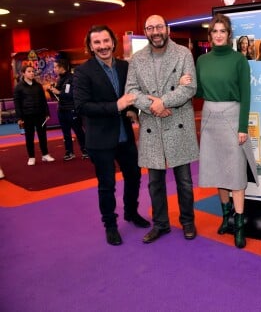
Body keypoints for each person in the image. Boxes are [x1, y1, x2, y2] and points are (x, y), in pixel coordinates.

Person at [74, 24, 151, 246]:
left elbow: (133, 96)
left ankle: (131, 212)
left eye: (106, 41)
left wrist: (131, 110)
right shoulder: (83, 72)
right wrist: (116, 106)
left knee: (134, 176)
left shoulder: (125, 67)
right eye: (97, 42)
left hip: (124, 136)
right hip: (100, 140)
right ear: (90, 46)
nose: (102, 46)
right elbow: (82, 107)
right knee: (107, 185)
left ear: (113, 42)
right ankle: (110, 224)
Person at [125, 14, 198, 243]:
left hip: (178, 123)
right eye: (150, 28)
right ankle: (161, 224)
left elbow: (190, 88)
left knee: (184, 180)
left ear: (167, 29)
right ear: (146, 32)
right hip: (152, 126)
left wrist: (162, 102)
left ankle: (188, 222)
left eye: (159, 27)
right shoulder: (137, 59)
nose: (155, 32)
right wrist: (153, 106)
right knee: (154, 182)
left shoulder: (183, 54)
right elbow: (132, 91)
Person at [196, 13, 258, 249]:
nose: (219, 35)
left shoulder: (239, 60)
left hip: (233, 117)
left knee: (235, 175)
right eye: (215, 31)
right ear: (210, 35)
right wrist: (185, 83)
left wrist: (243, 127)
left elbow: (246, 95)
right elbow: (200, 91)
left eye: (223, 31)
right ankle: (226, 219)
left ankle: (239, 226)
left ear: (229, 35)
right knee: (217, 171)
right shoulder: (202, 61)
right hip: (210, 118)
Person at [13, 65, 56, 166]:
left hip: (40, 115)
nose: (32, 73)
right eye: (29, 71)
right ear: (23, 73)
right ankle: (31, 157)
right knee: (29, 137)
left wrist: (47, 113)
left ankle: (45, 154)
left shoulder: (38, 86)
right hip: (27, 116)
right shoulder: (18, 87)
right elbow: (17, 103)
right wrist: (19, 117)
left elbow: (43, 101)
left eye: (33, 71)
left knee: (42, 135)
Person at [48, 58, 88, 161]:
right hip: (61, 109)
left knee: (78, 131)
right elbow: (58, 96)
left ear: (62, 67)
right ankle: (69, 152)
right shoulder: (59, 79)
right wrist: (52, 91)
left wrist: (58, 92)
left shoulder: (72, 78)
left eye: (56, 67)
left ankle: (85, 150)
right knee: (66, 133)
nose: (54, 69)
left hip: (72, 109)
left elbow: (70, 94)